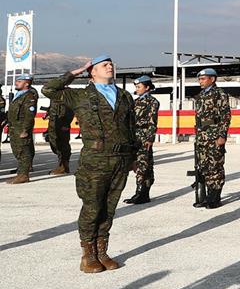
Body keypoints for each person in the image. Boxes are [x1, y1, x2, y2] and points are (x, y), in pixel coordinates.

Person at [42, 55, 137, 273]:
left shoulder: (124, 96)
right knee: (92, 207)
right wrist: (74, 72)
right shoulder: (80, 95)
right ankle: (88, 254)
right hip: (95, 159)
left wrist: (133, 157)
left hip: (120, 159)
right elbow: (48, 89)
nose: (110, 66)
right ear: (92, 71)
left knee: (109, 207)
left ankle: (102, 251)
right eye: (104, 64)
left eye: (111, 63)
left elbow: (131, 128)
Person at [193, 66, 231, 208]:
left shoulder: (219, 94)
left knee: (215, 166)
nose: (200, 81)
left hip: (214, 135)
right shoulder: (201, 95)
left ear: (212, 79)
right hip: (202, 136)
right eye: (199, 79)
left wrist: (222, 135)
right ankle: (206, 196)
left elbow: (225, 116)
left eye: (203, 79)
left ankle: (215, 197)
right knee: (203, 166)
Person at [124, 75, 159, 204]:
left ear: (147, 87)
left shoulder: (152, 102)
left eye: (139, 87)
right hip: (135, 136)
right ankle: (142, 193)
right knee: (139, 164)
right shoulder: (136, 101)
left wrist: (150, 138)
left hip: (144, 136)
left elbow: (152, 122)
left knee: (144, 164)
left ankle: (141, 192)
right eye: (136, 87)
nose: (137, 89)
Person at [6, 74, 37, 184]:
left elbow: (29, 115)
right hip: (15, 127)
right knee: (17, 151)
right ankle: (22, 170)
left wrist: (25, 130)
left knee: (23, 151)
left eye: (19, 81)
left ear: (26, 84)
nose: (16, 83)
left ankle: (23, 175)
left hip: (21, 128)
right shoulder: (19, 95)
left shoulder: (29, 97)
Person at [44, 89, 75, 176]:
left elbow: (70, 110)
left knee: (63, 145)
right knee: (54, 144)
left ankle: (64, 166)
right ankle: (61, 165)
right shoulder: (54, 95)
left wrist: (66, 124)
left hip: (62, 124)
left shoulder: (66, 94)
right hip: (53, 123)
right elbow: (53, 108)